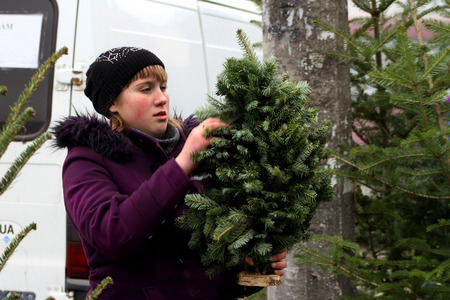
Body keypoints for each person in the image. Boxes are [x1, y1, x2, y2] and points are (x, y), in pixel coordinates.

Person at [53, 47, 286, 299]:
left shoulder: (195, 150)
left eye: (163, 87)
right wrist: (183, 163)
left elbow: (209, 275)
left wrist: (248, 269)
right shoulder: (87, 158)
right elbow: (113, 234)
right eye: (146, 89)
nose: (162, 98)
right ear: (112, 104)